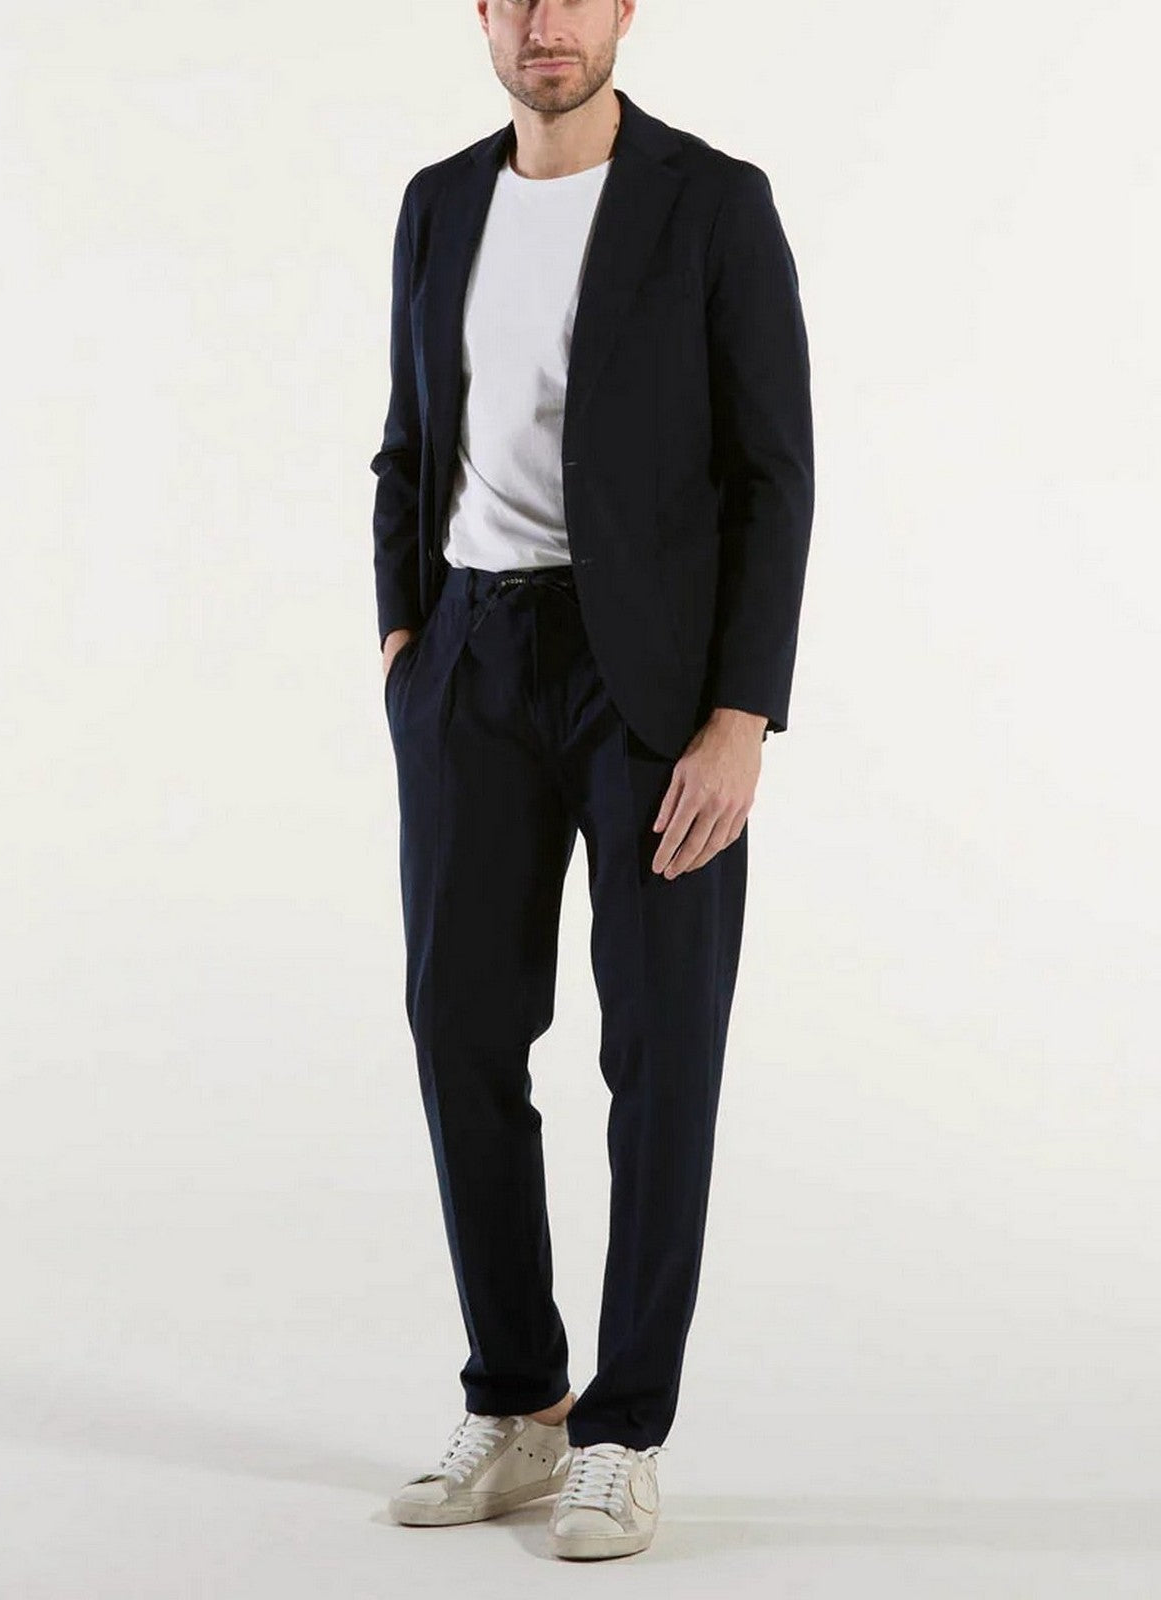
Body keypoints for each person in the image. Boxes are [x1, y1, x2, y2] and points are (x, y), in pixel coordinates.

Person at [372, 0, 813, 1562]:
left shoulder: (713, 201)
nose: (545, 22)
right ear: (482, 14)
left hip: (656, 693)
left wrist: (740, 716)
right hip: (471, 669)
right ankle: (519, 1401)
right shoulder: (439, 201)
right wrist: (405, 642)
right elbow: (409, 442)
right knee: (460, 1028)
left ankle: (622, 1432)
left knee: (661, 1048)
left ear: (625, 8)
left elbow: (774, 472)